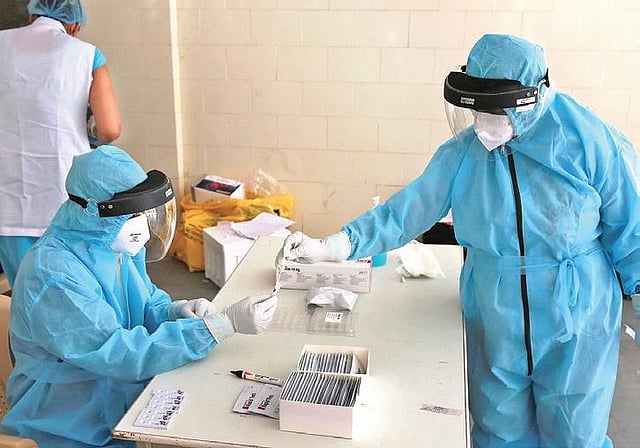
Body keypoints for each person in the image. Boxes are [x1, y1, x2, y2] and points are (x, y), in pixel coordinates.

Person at [279, 34, 640, 448]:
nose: (484, 122)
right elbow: (404, 212)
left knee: (574, 432)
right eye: (478, 110)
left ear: (530, 97)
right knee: (499, 428)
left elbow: (632, 226)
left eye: (494, 110)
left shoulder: (590, 142)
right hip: (495, 311)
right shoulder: (466, 152)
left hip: (576, 313)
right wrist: (336, 246)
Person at [1, 145, 278, 447]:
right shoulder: (53, 275)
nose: (141, 223)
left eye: (142, 211)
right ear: (95, 211)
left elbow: (145, 303)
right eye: (132, 213)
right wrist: (216, 328)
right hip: (67, 424)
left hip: (117, 398)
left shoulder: (113, 245)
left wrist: (175, 311)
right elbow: (117, 353)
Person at [0, 0, 121, 288]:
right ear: (75, 24)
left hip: (8, 199)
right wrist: (90, 134)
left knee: (25, 293)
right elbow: (110, 129)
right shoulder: (87, 54)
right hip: (63, 193)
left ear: (32, 13)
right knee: (69, 290)